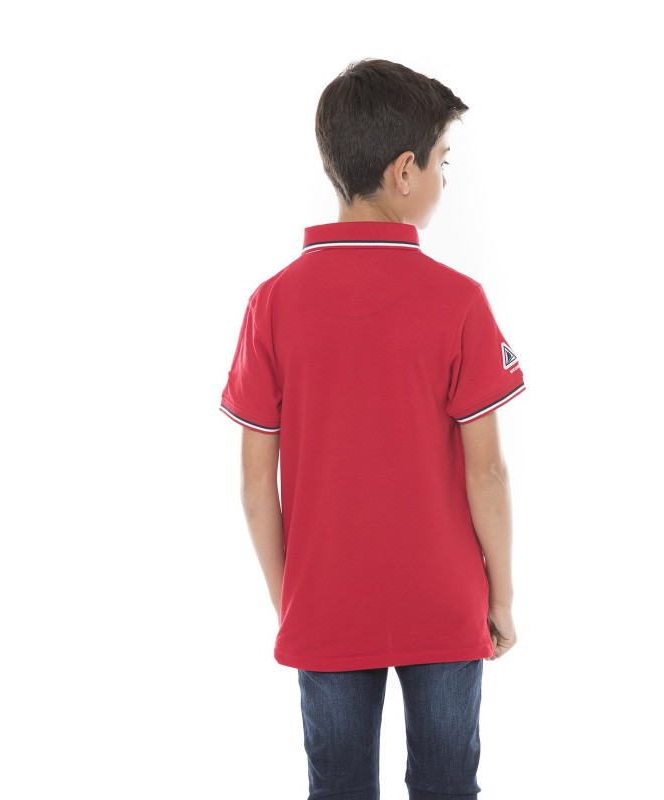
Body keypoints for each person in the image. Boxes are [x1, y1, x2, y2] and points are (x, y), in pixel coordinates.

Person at [219, 57, 527, 800]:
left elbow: (255, 482)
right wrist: (501, 597)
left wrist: (289, 598)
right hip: (444, 602)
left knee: (338, 788)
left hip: (325, 602)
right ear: (403, 172)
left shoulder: (271, 303)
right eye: (442, 162)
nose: (445, 180)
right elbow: (486, 471)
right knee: (448, 785)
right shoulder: (459, 300)